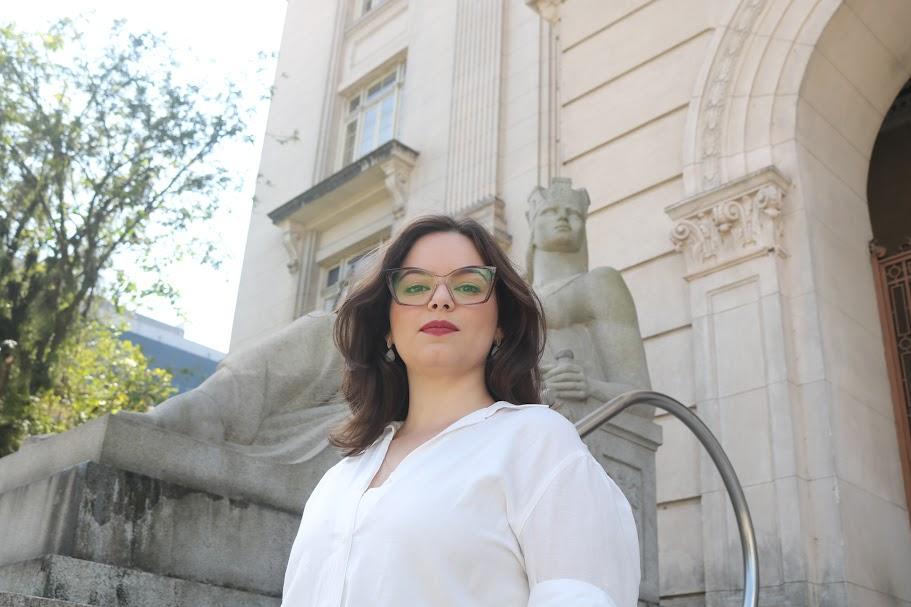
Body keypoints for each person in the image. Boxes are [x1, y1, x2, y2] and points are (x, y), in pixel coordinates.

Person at [280, 214, 640, 606]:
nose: (440, 299)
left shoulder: (538, 443)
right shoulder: (338, 479)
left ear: (501, 323)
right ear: (386, 324)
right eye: (415, 286)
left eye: (468, 285)